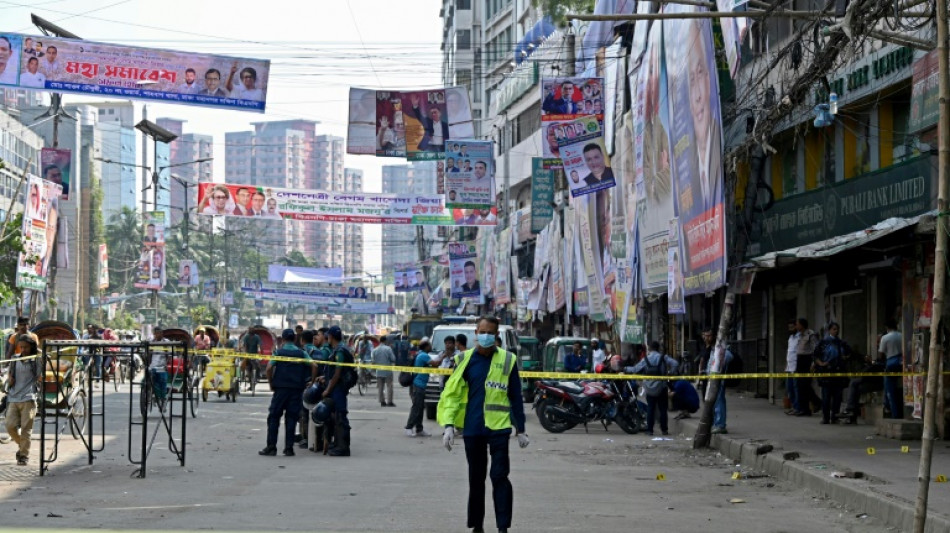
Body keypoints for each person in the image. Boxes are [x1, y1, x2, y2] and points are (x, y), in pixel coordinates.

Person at [438, 316, 528, 533]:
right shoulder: (464, 360)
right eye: (482, 331)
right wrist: (449, 425)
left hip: (498, 428)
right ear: (476, 333)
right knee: (476, 480)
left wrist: (521, 428)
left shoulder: (508, 360)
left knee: (499, 477)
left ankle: (503, 527)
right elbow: (451, 395)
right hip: (473, 428)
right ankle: (477, 526)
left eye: (490, 332)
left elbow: (515, 396)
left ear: (496, 336)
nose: (485, 336)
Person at [260, 329, 315, 457]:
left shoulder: (278, 352)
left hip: (280, 390)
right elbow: (315, 366)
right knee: (291, 418)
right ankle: (289, 448)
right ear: (294, 339)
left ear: (283, 339)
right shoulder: (302, 353)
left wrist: (271, 383)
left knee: (274, 417)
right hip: (296, 390)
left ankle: (271, 447)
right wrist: (311, 382)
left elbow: (269, 368)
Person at [685, 19, 721, 207]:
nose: (698, 95)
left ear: (709, 79)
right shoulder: (687, 169)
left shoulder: (720, 147)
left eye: (700, 74)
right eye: (691, 81)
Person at [625, 341, 678, 435]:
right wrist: (670, 373)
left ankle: (650, 430)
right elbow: (675, 363)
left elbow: (635, 369)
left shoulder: (645, 359)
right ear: (658, 348)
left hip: (649, 388)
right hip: (662, 387)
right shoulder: (663, 357)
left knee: (650, 409)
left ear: (649, 348)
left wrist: (624, 369)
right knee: (663, 409)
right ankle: (664, 430)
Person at [6, 334, 42, 465]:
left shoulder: (36, 360)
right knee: (9, 426)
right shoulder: (15, 359)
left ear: (31, 347)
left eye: (26, 347)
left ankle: (23, 456)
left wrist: (37, 350)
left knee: (26, 429)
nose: (23, 350)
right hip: (14, 397)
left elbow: (44, 363)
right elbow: (10, 375)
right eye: (21, 347)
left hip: (29, 398)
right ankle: (22, 447)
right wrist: (10, 380)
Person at [318, 326, 353, 456]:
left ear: (331, 337)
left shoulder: (339, 351)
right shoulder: (339, 349)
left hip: (338, 388)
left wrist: (327, 390)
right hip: (337, 387)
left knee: (340, 416)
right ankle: (338, 444)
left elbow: (337, 374)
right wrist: (324, 377)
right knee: (336, 416)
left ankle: (343, 447)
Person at [814, 322, 851, 424]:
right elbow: (816, 356)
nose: (836, 331)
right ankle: (826, 417)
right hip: (827, 372)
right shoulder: (823, 343)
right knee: (826, 396)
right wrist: (821, 363)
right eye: (834, 329)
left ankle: (835, 416)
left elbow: (849, 354)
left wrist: (845, 358)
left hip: (839, 372)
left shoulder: (841, 343)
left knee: (837, 397)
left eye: (837, 329)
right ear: (829, 330)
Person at [405, 339, 439, 437]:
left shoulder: (420, 354)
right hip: (418, 385)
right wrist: (443, 356)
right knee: (416, 407)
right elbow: (435, 364)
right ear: (426, 347)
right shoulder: (424, 355)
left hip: (420, 384)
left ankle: (419, 429)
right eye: (430, 345)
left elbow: (432, 367)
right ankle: (409, 427)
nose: (431, 347)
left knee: (420, 408)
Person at [792, 318, 821, 417]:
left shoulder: (811, 334)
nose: (796, 326)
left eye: (797, 324)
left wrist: (813, 363)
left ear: (802, 325)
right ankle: (804, 408)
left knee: (805, 385)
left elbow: (815, 348)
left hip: (807, 360)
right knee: (800, 386)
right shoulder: (799, 335)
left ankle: (815, 403)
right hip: (800, 360)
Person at [706, 343, 735, 434]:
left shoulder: (722, 350)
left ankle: (720, 425)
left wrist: (719, 368)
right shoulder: (714, 350)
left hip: (718, 380)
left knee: (719, 402)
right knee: (715, 403)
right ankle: (716, 423)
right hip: (713, 380)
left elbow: (729, 356)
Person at [880, 319, 903, 419]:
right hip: (902, 362)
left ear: (887, 327)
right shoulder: (902, 335)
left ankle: (893, 413)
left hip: (891, 362)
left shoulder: (885, 337)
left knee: (890, 389)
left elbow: (881, 352)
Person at [372, 335, 396, 407]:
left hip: (379, 371)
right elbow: (393, 359)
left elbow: (373, 361)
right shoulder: (388, 349)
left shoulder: (375, 350)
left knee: (380, 387)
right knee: (389, 386)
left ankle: (382, 401)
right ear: (385, 341)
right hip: (387, 371)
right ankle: (389, 402)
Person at [784, 319, 800, 415]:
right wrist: (786, 365)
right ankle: (794, 407)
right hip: (789, 367)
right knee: (789, 388)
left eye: (792, 327)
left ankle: (798, 408)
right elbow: (788, 351)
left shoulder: (799, 338)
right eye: (789, 328)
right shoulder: (790, 338)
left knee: (796, 388)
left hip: (796, 367)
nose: (790, 329)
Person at [149, 326, 169, 401]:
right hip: (153, 366)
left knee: (162, 381)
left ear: (161, 333)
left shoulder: (166, 342)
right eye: (155, 333)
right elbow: (149, 355)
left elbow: (169, 356)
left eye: (158, 333)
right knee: (148, 380)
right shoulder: (152, 342)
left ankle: (162, 397)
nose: (156, 335)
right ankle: (153, 394)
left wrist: (167, 364)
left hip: (162, 366)